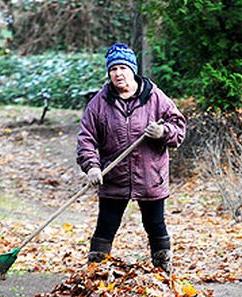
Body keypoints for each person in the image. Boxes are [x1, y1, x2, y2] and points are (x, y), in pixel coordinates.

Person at [76, 43, 186, 274]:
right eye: (113, 69)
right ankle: (94, 276)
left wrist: (163, 132)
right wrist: (92, 167)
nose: (118, 73)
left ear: (133, 70)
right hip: (113, 178)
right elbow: (86, 138)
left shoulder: (155, 97)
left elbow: (179, 128)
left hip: (150, 177)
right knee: (105, 228)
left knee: (155, 226)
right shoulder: (99, 103)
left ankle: (164, 274)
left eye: (123, 68)